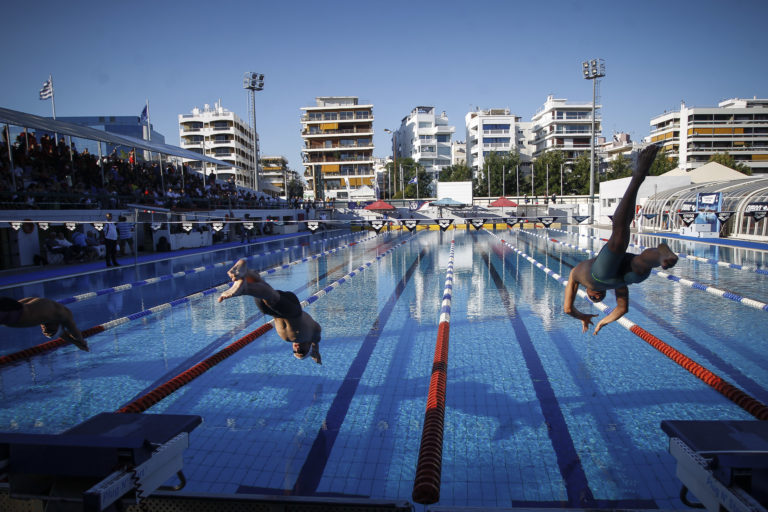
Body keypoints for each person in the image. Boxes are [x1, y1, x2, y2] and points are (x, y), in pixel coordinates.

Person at [563, 144, 678, 335]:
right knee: (641, 263)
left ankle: (637, 178)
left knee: (619, 233)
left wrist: (581, 315)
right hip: (622, 277)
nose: (597, 297)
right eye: (599, 299)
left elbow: (567, 309)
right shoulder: (619, 288)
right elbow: (622, 309)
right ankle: (660, 255)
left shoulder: (577, 277)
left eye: (592, 298)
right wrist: (602, 323)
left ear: (588, 292)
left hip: (599, 273)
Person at [218, 259, 322, 364]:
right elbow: (316, 342)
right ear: (309, 346)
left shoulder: (304, 337)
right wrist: (315, 353)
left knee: (261, 293)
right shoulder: (314, 335)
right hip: (292, 310)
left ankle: (245, 273)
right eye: (302, 351)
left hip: (272, 311)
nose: (297, 349)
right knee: (270, 298)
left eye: (295, 351)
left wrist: (313, 352)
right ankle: (244, 288)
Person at [0, 297, 89, 351]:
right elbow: (74, 332)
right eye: (51, 330)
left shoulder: (45, 311)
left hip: (9, 307)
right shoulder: (63, 314)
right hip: (9, 311)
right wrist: (81, 342)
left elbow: (62, 334)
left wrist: (75, 343)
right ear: (57, 324)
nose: (44, 331)